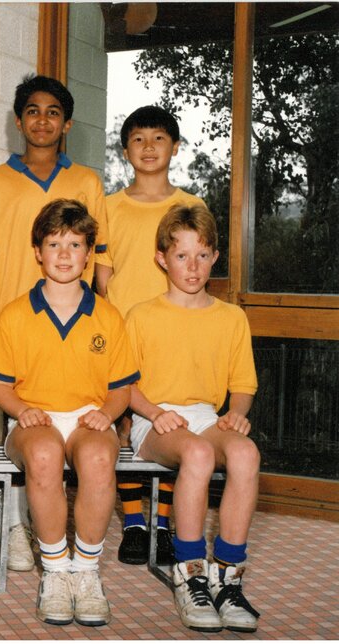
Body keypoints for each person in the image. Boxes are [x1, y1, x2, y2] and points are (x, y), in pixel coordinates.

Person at [0, 74, 109, 572]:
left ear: (67, 123)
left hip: (71, 318)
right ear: (18, 121)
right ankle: (14, 524)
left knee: (57, 426)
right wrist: (6, 301)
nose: (42, 119)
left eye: (53, 112)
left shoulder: (88, 182)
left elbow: (99, 258)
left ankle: (51, 529)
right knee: (19, 418)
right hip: (15, 319)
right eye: (33, 110)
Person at [0, 199, 138, 627]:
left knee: (98, 457)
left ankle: (85, 572)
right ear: (38, 251)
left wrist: (107, 413)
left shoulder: (108, 317)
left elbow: (122, 387)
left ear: (90, 253)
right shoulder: (15, 315)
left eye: (75, 244)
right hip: (34, 417)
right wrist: (23, 409)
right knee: (45, 455)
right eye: (55, 244)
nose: (65, 254)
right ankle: (54, 572)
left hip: (89, 413)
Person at [126, 204, 259, 633]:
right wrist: (152, 412)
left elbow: (242, 385)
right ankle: (189, 571)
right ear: (162, 258)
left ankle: (227, 575)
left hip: (205, 416)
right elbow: (123, 384)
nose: (193, 266)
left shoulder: (231, 318)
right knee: (199, 454)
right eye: (182, 255)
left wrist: (236, 416)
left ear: (215, 258)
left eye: (202, 255)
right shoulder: (142, 315)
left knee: (245, 453)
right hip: (154, 418)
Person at [96, 105, 209, 566]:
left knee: (173, 418)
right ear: (125, 150)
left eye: (158, 138)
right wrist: (114, 320)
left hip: (174, 328)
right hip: (126, 330)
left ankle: (164, 521)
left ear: (175, 147)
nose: (148, 147)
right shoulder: (109, 206)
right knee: (125, 423)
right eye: (138, 139)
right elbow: (102, 275)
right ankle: (134, 522)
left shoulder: (191, 205)